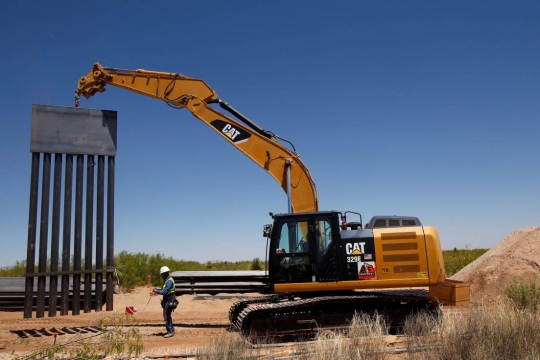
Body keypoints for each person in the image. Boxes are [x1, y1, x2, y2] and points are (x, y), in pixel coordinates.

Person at [151, 266, 177, 338]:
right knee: (167, 315)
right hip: (167, 299)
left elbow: (165, 291)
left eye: (162, 274)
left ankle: (170, 331)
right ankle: (170, 330)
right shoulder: (167, 280)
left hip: (169, 300)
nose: (162, 275)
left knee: (167, 316)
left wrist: (157, 291)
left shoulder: (169, 281)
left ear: (165, 273)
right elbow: (164, 290)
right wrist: (158, 291)